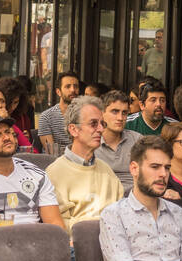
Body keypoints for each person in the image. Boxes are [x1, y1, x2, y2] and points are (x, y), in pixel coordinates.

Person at [98, 136, 182, 261]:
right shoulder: (113, 215)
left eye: (167, 168)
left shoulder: (180, 214)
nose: (163, 174)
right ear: (134, 169)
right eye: (155, 167)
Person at [0, 114, 66, 228]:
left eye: (8, 132)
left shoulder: (37, 174)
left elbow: (55, 225)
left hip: (33, 242)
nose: (6, 138)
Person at [46, 96, 124, 231]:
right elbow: (58, 230)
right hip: (76, 248)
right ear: (73, 129)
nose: (100, 129)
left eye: (102, 124)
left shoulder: (106, 170)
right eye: (93, 123)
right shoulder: (54, 173)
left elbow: (122, 214)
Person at [92, 89, 140, 193]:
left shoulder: (137, 140)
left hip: (134, 199)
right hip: (102, 200)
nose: (120, 118)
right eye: (115, 112)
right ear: (102, 113)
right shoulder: (91, 142)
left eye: (124, 113)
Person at [37, 70, 80, 152]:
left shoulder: (85, 114)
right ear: (58, 92)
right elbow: (51, 152)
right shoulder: (46, 117)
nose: (72, 90)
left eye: (76, 86)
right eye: (68, 86)